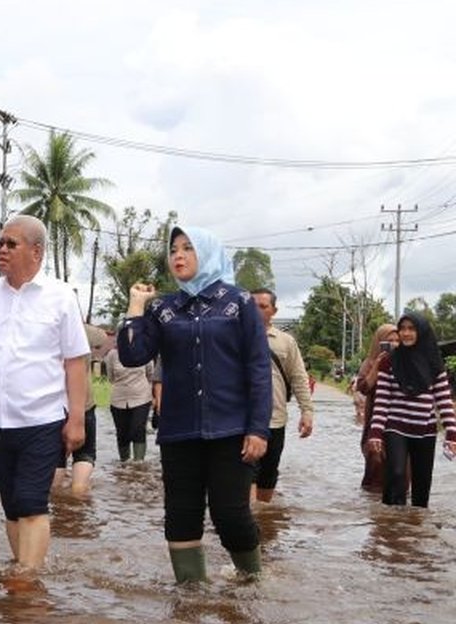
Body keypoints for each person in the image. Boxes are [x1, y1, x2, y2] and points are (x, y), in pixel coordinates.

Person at [118, 225, 271, 583]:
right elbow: (131, 354)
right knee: (181, 515)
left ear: (207, 253)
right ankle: (191, 598)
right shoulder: (164, 309)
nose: (178, 256)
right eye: (173, 250)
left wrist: (258, 428)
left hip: (231, 429)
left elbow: (258, 368)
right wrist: (136, 307)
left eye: (187, 248)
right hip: (178, 430)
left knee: (230, 514)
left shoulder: (240, 302)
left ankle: (253, 585)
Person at [0, 215, 90, 572]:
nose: (1, 249)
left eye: (10, 243)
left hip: (42, 419)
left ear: (36, 251)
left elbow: (76, 362)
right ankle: (23, 571)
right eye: (0, 243)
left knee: (31, 501)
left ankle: (27, 584)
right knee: (12, 506)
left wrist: (76, 420)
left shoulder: (60, 297)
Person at [365, 312, 456, 508]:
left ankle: (414, 531)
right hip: (395, 426)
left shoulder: (434, 363)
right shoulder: (389, 361)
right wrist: (376, 432)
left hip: (425, 429)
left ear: (421, 332)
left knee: (422, 485)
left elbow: (443, 399)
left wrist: (451, 433)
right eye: (403, 329)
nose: (406, 333)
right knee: (397, 474)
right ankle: (392, 527)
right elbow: (382, 399)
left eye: (411, 329)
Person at [250, 288, 315, 504]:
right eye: (252, 305)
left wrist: (307, 411)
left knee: (268, 474)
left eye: (263, 306)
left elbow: (298, 377)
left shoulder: (286, 342)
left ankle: (265, 524)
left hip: (275, 419)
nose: (256, 310)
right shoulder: (233, 337)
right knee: (244, 473)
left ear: (274, 311)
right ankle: (248, 526)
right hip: (240, 419)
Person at [354, 323, 399, 492]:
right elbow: (363, 388)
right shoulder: (369, 362)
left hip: (400, 422)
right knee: (376, 464)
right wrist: (377, 367)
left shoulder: (406, 362)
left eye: (397, 340)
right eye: (389, 341)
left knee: (401, 470)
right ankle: (375, 511)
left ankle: (399, 513)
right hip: (376, 422)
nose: (394, 344)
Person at [103, 345, 156, 462]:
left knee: (138, 429)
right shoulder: (112, 354)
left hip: (141, 397)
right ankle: (124, 462)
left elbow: (150, 374)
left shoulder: (145, 350)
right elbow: (110, 376)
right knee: (122, 432)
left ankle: (138, 463)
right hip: (118, 398)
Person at [53, 377, 97, 495]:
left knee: (56, 457)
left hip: (54, 407)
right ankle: (79, 495)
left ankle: (55, 498)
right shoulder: (80, 358)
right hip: (83, 405)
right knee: (84, 453)